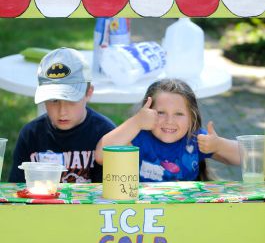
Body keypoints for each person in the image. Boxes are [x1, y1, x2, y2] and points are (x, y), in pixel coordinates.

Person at [95, 79, 240, 182]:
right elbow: (101, 156)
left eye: (179, 114)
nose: (169, 121)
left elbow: (245, 156)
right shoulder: (138, 137)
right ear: (147, 112)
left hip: (185, 214)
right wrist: (136, 122)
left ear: (192, 118)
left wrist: (219, 145)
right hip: (145, 215)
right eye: (161, 112)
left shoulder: (195, 139)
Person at [9, 47, 115, 183]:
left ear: (88, 92)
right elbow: (16, 190)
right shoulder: (31, 135)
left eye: (71, 100)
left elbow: (108, 194)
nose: (62, 111)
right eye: (53, 100)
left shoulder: (105, 134)